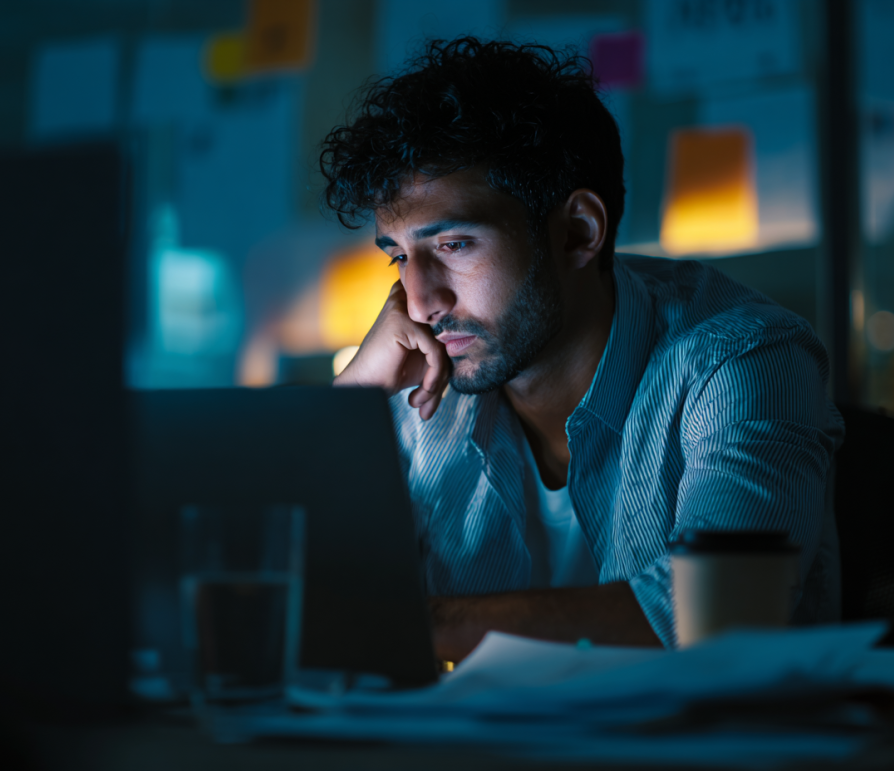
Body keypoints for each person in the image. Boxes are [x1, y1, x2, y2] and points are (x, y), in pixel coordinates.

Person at [322, 38, 843, 661]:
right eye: (401, 256)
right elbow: (270, 576)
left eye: (455, 244)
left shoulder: (743, 359)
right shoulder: (425, 377)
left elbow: (717, 617)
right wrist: (351, 401)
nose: (421, 299)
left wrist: (414, 624)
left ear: (578, 232)